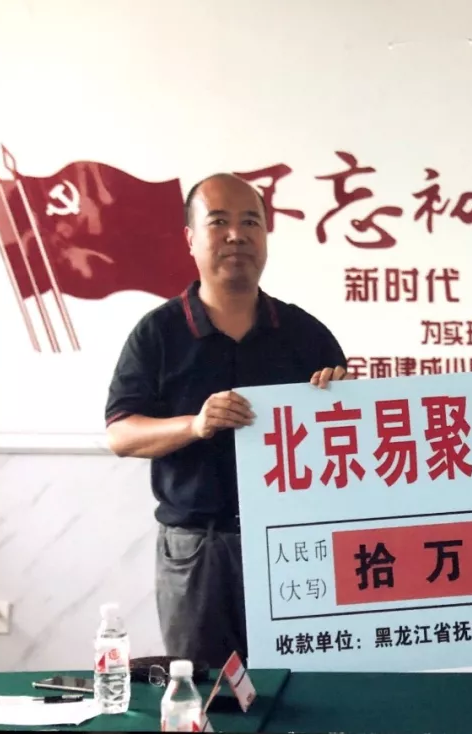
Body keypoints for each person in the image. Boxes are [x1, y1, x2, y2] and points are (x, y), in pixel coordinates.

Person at [103, 173, 348, 667]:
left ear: (265, 236)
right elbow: (121, 434)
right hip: (198, 549)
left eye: (250, 222)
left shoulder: (305, 334)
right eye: (219, 222)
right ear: (191, 238)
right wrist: (195, 425)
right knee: (206, 689)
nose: (237, 235)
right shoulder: (159, 333)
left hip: (292, 545)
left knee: (302, 683)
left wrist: (341, 402)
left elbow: (348, 440)